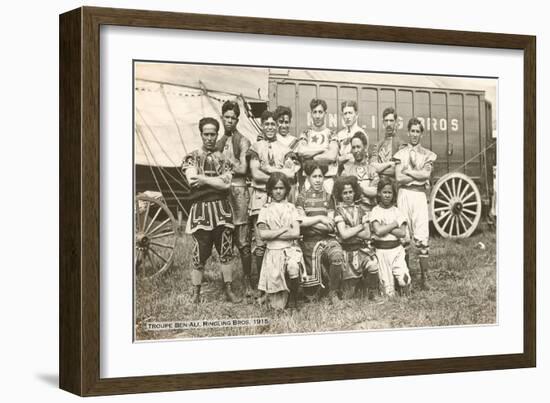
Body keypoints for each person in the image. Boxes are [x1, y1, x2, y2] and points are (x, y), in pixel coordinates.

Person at [181, 117, 241, 304]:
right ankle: (196, 293)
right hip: (200, 211)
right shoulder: (192, 157)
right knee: (199, 252)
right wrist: (215, 180)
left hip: (221, 210)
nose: (209, 138)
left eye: (212, 134)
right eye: (206, 134)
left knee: (225, 250)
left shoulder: (224, 159)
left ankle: (228, 290)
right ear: (201, 134)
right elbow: (191, 180)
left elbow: (226, 184)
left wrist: (204, 180)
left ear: (217, 135)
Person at [248, 110, 300, 286]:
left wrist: (270, 171)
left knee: (284, 238)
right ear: (262, 126)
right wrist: (280, 175)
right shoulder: (256, 148)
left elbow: (291, 174)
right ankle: (261, 284)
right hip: (261, 198)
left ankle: (283, 281)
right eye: (267, 124)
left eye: (273, 124)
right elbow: (255, 174)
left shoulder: (285, 150)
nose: (270, 127)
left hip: (281, 198)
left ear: (277, 126)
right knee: (261, 242)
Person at [215, 100, 253, 297]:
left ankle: (247, 281)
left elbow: (242, 169)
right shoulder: (218, 141)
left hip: (239, 193)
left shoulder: (243, 141)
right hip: (223, 193)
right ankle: (227, 283)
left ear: (237, 120)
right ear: (222, 118)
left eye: (233, 118)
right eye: (226, 117)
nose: (229, 121)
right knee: (225, 237)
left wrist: (224, 159)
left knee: (243, 239)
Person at [394, 117, 437, 290]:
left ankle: (424, 279)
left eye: (417, 131)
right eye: (412, 131)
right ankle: (405, 279)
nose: (414, 134)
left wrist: (409, 172)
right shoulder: (400, 154)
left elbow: (425, 175)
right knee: (403, 237)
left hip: (419, 196)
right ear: (408, 132)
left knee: (421, 237)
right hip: (404, 194)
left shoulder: (427, 154)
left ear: (421, 134)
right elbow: (398, 177)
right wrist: (416, 174)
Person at [295, 160, 345, 304]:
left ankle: (333, 292)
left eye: (320, 176)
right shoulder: (301, 197)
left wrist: (310, 222)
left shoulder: (329, 197)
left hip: (327, 239)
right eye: (314, 176)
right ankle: (318, 287)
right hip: (309, 241)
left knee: (337, 255)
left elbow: (330, 226)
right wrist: (320, 218)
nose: (317, 180)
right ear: (308, 178)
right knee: (311, 294)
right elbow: (300, 222)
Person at [256, 172, 304, 310]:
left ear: (286, 190)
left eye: (281, 188)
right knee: (277, 306)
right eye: (275, 188)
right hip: (272, 252)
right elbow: (263, 235)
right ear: (270, 190)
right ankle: (276, 296)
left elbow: (295, 232)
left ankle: (294, 298)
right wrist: (284, 229)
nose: (278, 191)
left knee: (293, 266)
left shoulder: (291, 208)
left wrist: (274, 233)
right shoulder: (265, 209)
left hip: (289, 249)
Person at [332, 176, 380, 301]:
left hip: (361, 250)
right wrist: (360, 227)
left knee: (373, 265)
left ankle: (372, 291)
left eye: (350, 192)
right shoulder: (338, 212)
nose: (348, 195)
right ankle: (348, 288)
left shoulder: (361, 210)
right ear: (340, 194)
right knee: (349, 295)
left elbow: (367, 234)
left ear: (355, 192)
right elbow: (344, 235)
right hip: (346, 252)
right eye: (345, 193)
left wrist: (351, 229)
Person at [369, 177, 412, 297]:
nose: (387, 195)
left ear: (393, 194)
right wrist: (394, 224)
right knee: (388, 292)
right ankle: (390, 289)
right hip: (382, 252)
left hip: (397, 250)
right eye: (384, 192)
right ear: (379, 193)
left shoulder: (397, 211)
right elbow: (378, 231)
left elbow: (402, 233)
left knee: (404, 279)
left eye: (390, 192)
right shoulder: (376, 211)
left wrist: (386, 227)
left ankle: (405, 292)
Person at [295, 98, 339, 194]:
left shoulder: (332, 133)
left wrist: (309, 158)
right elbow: (301, 151)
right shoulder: (305, 133)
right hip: (309, 180)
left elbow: (331, 156)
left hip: (327, 181)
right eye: (315, 112)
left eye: (320, 112)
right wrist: (323, 149)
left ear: (325, 114)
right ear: (311, 114)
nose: (317, 116)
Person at [341, 131, 379, 211]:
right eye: (353, 147)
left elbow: (375, 191)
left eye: (358, 147)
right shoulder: (346, 171)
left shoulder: (372, 169)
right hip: (352, 212)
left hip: (370, 211)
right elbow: (343, 195)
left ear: (365, 147)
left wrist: (358, 187)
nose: (356, 150)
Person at [370, 107, 401, 176]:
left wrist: (378, 169)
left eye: (391, 120)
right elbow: (372, 167)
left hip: (393, 183)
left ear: (396, 122)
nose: (388, 124)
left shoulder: (401, 145)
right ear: (383, 122)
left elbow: (397, 170)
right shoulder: (378, 145)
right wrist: (389, 164)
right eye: (386, 121)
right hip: (379, 183)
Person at [336, 101, 368, 166]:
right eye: (345, 113)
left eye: (350, 113)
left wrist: (341, 158)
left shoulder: (361, 133)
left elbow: (357, 157)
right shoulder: (340, 134)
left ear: (356, 115)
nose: (347, 116)